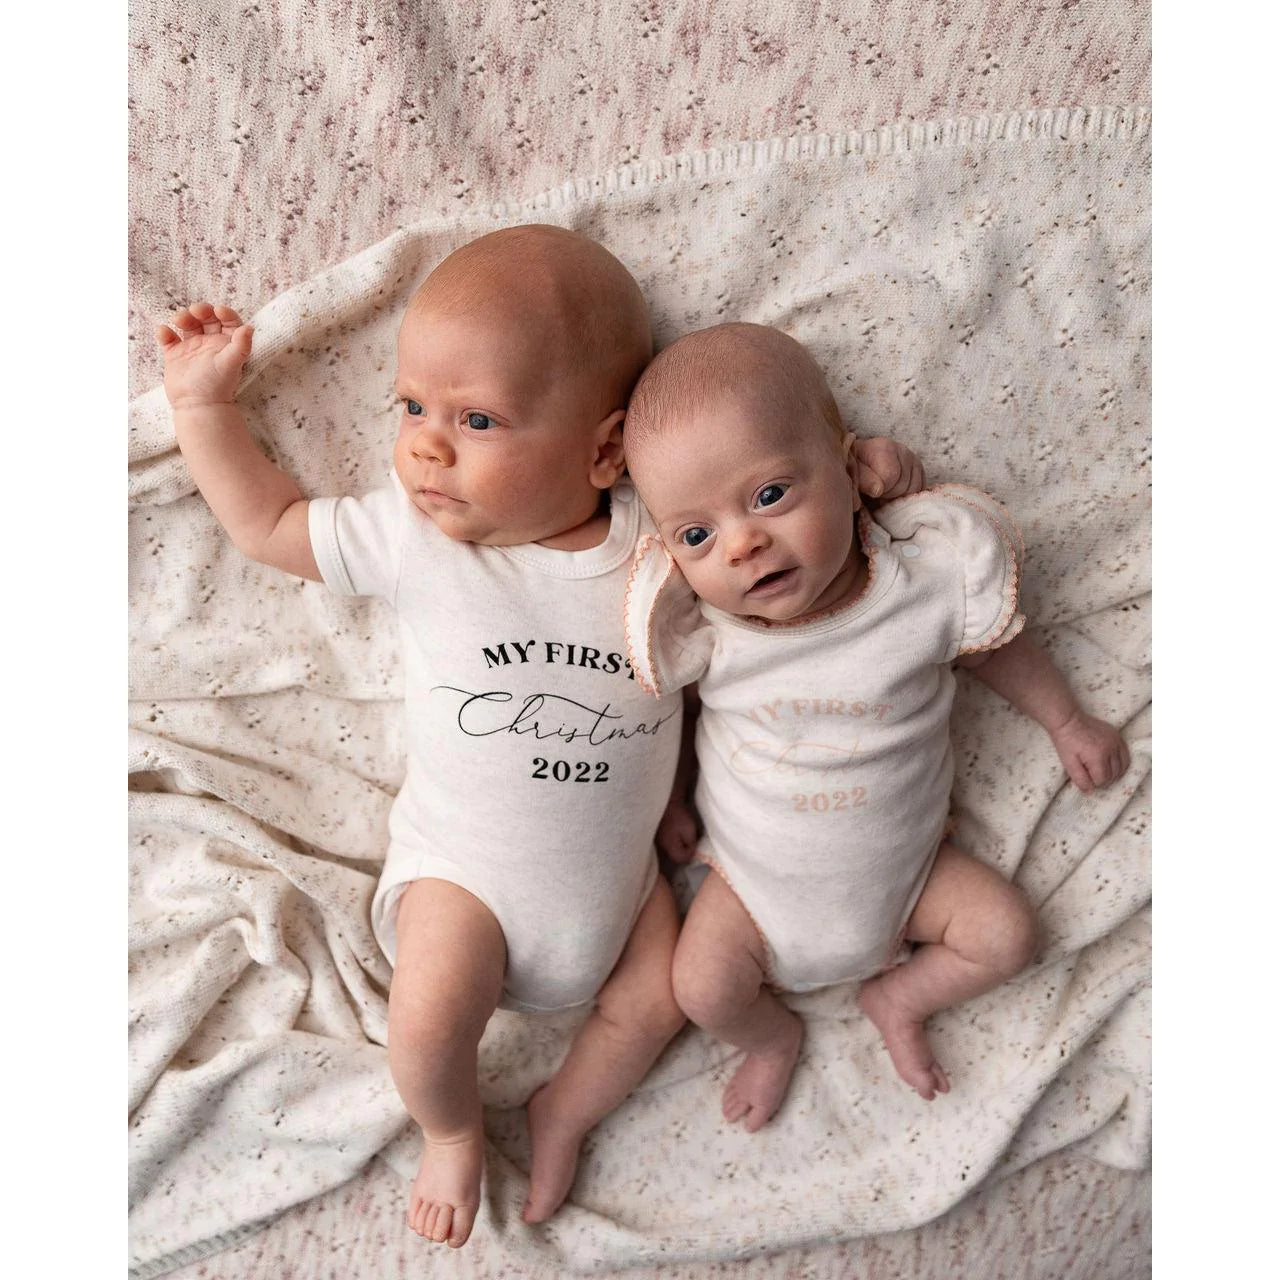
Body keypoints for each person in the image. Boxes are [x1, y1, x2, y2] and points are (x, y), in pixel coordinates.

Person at [154, 229, 922, 1246]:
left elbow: (724, 653)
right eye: (411, 408)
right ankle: (452, 1127)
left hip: (625, 893)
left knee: (660, 999)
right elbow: (267, 525)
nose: (427, 448)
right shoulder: (415, 541)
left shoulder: (662, 549)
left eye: (476, 419)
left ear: (603, 452)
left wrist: (870, 476)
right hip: (464, 879)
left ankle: (565, 1110)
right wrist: (203, 409)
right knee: (428, 1019)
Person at [621, 322, 1130, 1134]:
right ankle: (773, 1039)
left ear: (854, 472)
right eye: (697, 535)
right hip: (753, 888)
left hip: (911, 881)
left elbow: (997, 646)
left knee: (1007, 935)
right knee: (703, 989)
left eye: (769, 495)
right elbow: (680, 720)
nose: (744, 544)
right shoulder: (714, 634)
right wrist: (675, 801)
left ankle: (901, 997)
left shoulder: (918, 588)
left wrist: (1066, 720)